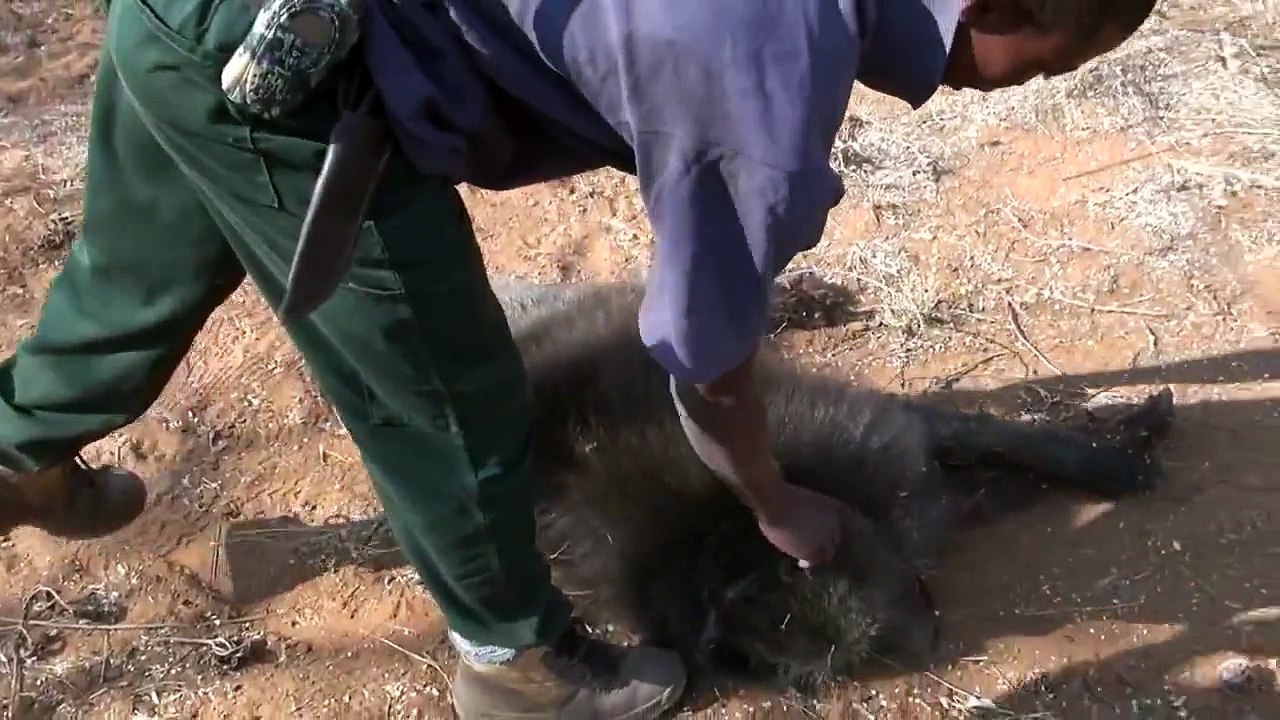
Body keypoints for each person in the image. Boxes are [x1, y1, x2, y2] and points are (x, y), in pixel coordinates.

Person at [0, 0, 1154, 716]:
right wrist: (769, 497)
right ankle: (515, 665)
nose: (1026, 87)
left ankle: (17, 449)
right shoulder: (766, 73)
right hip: (297, 72)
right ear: (1008, 10)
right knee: (448, 397)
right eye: (1046, 67)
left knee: (135, 277)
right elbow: (705, 351)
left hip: (179, 20)